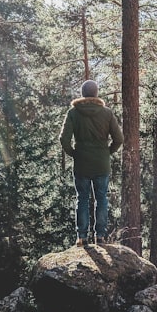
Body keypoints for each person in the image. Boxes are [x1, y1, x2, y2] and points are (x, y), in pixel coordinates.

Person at [59, 79, 123, 247]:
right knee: (101, 199)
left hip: (81, 164)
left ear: (82, 93)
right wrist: (107, 152)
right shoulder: (107, 113)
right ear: (96, 93)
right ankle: (100, 236)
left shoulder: (73, 113)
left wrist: (74, 153)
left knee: (82, 199)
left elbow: (63, 139)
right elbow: (119, 139)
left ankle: (82, 237)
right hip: (101, 163)